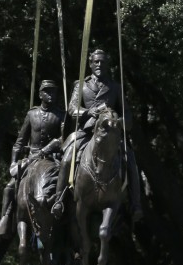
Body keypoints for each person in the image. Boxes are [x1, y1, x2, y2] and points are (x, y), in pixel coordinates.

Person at [51, 49, 142, 221]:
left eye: (103, 62)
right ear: (91, 64)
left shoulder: (115, 87)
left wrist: (119, 121)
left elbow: (128, 115)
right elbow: (71, 109)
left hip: (111, 135)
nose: (99, 65)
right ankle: (58, 200)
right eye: (96, 62)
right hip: (86, 132)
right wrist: (88, 112)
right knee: (67, 158)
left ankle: (135, 204)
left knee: (130, 159)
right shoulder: (81, 85)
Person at [0, 79, 65, 237]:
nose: (50, 94)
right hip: (31, 158)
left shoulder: (61, 115)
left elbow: (63, 138)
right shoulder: (32, 114)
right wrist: (13, 162)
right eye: (47, 91)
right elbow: (19, 142)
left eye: (53, 91)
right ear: (40, 94)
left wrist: (49, 148)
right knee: (9, 188)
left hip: (52, 158)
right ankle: (5, 218)